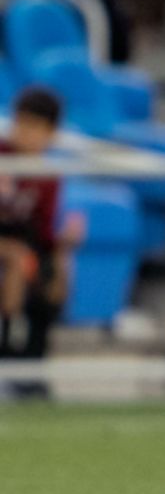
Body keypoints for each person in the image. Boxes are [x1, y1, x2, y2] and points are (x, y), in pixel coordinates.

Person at [0, 88, 81, 397]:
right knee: (18, 261)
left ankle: (33, 365)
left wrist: (63, 248)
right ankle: (7, 356)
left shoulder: (48, 177)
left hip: (24, 247)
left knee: (53, 276)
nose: (25, 134)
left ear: (51, 134)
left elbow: (43, 233)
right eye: (21, 124)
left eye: (35, 127)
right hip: (8, 247)